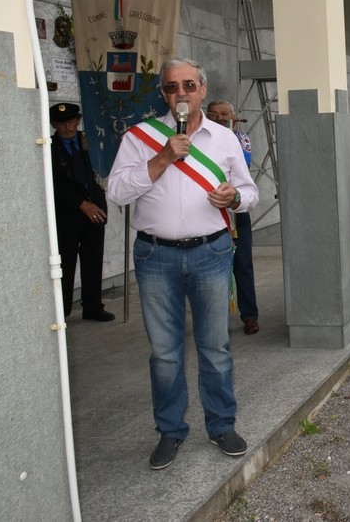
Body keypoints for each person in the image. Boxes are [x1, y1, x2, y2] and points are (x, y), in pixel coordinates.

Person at [108, 57, 258, 470]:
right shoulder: (140, 138)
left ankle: (221, 424)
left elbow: (250, 192)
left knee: (215, 347)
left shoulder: (225, 138)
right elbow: (117, 192)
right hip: (155, 256)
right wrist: (160, 159)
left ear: (202, 90)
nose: (181, 94)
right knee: (165, 353)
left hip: (210, 252)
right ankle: (170, 431)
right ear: (163, 95)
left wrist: (234, 199)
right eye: (172, 87)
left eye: (189, 85)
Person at [49, 102, 115, 322]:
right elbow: (54, 184)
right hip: (68, 214)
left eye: (71, 122)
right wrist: (80, 204)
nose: (67, 128)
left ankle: (93, 306)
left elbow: (101, 170)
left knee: (93, 259)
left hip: (95, 209)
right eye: (61, 124)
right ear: (53, 125)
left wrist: (94, 202)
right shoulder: (49, 148)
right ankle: (63, 310)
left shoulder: (92, 142)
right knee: (65, 263)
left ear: (77, 121)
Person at [206, 100, 260, 335]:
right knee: (211, 269)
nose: (219, 119)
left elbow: (242, 173)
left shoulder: (240, 140)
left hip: (236, 213)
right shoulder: (198, 141)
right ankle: (214, 318)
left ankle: (249, 315)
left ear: (234, 117)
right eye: (214, 115)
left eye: (224, 114)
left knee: (243, 265)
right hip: (209, 211)